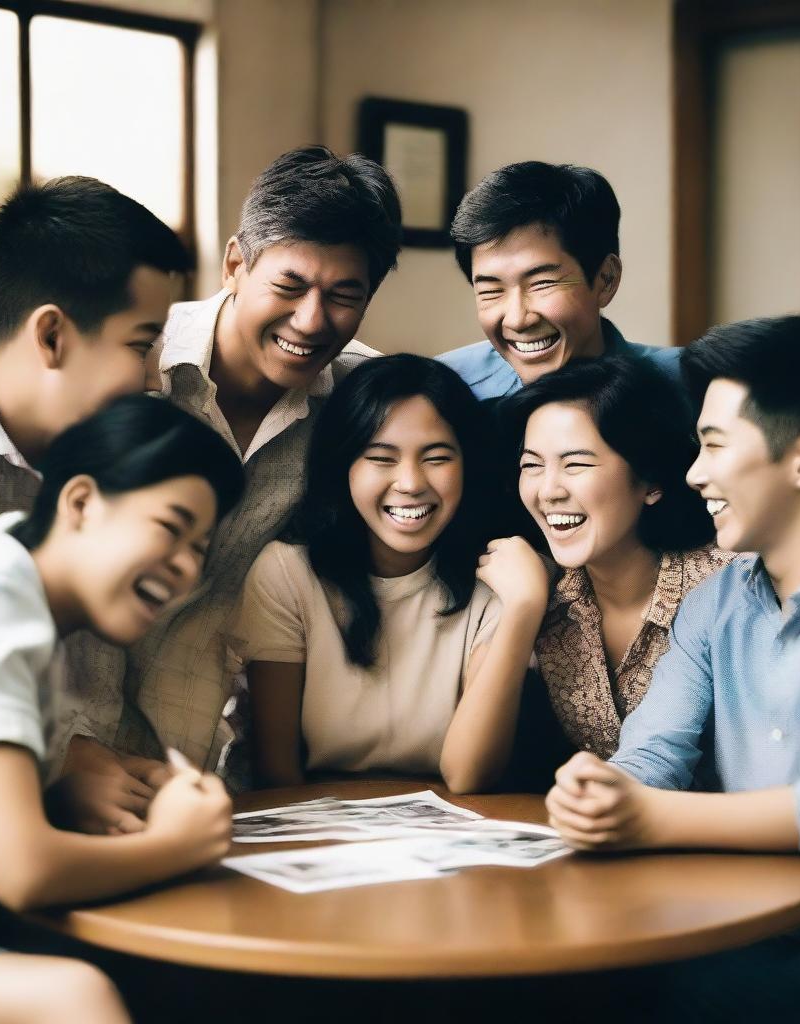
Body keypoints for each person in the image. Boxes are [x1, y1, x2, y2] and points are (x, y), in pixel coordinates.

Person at [546, 316, 800, 1021]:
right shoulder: (717, 601)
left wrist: (644, 817)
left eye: (715, 445)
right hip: (746, 936)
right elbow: (651, 756)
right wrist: (601, 792)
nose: (695, 473)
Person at [60, 145, 403, 797]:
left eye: (343, 296)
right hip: (91, 758)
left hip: (257, 778)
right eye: (290, 286)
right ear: (236, 264)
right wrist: (75, 751)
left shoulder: (363, 402)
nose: (311, 320)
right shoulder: (133, 366)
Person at [0, 394, 243, 1024]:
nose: (185, 568)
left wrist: (62, 794)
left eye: (200, 548)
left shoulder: (10, 595)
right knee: (73, 996)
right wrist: (178, 844)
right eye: (171, 528)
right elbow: (19, 871)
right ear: (81, 502)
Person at [0, 175, 191, 836]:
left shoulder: (104, 454)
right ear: (53, 337)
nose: (155, 380)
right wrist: (55, 767)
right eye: (142, 345)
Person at [232, 355, 548, 793]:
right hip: (320, 826)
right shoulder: (288, 574)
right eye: (381, 458)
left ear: (468, 465)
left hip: (454, 829)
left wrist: (524, 608)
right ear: (344, 466)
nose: (410, 483)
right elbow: (277, 774)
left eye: (437, 457)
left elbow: (469, 775)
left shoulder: (499, 580)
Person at [501, 355, 730, 760]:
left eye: (576, 464)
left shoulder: (730, 587)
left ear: (651, 481)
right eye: (531, 465)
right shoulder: (544, 595)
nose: (548, 490)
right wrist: (522, 605)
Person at [439, 161, 680, 400]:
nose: (517, 320)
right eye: (491, 290)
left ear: (606, 279)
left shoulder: (692, 387)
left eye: (542, 283)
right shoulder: (445, 393)